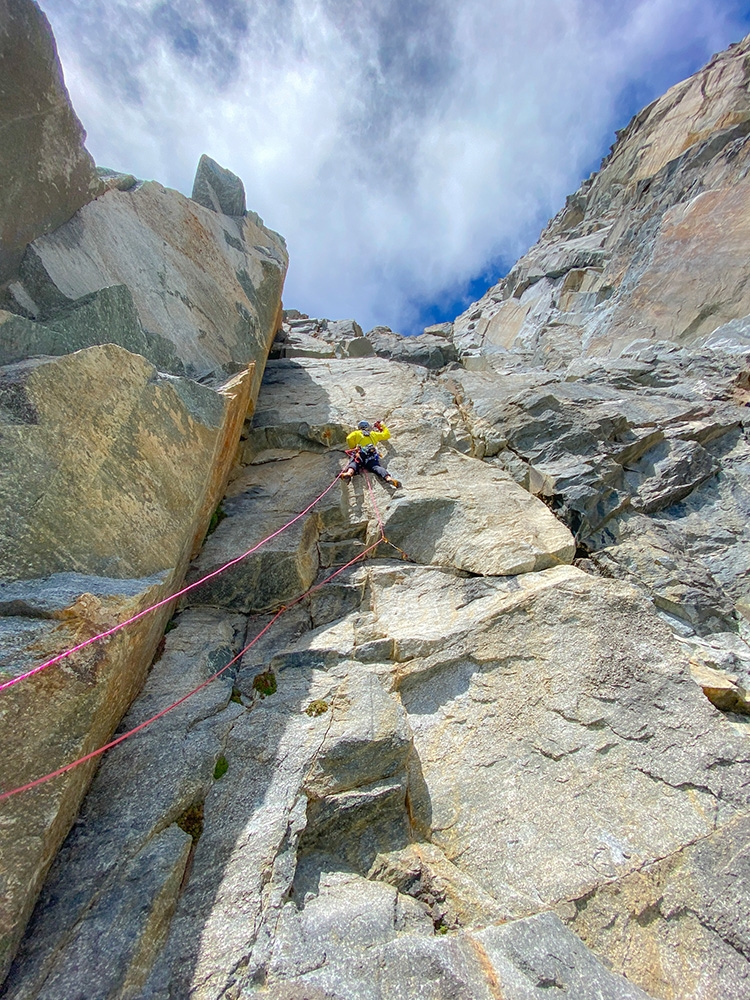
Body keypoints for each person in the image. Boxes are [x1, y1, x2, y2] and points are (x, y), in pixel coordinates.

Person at [341, 420, 401, 487]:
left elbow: (349, 438)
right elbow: (387, 435)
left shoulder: (356, 433)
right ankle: (388, 477)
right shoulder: (373, 434)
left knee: (354, 462)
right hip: (371, 456)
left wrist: (353, 447)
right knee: (376, 467)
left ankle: (349, 473)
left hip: (360, 454)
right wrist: (382, 426)